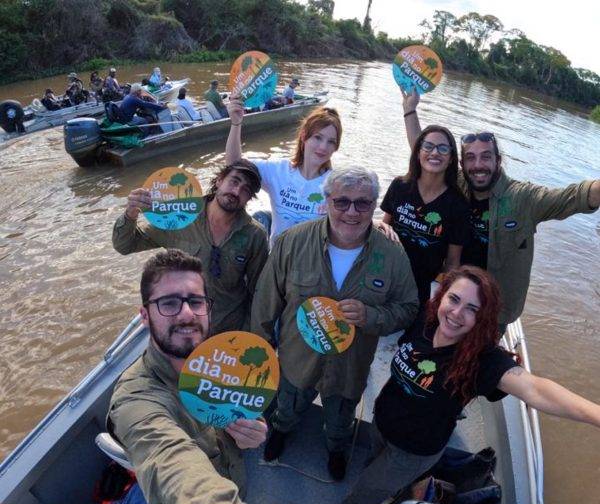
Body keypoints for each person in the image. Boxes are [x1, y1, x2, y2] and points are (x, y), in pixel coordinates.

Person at [108, 248, 360, 504]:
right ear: (144, 315)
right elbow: (174, 466)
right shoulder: (135, 399)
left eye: (196, 301)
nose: (186, 313)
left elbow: (235, 424)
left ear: (208, 309)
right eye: (169, 303)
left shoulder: (222, 362)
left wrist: (244, 437)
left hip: (233, 481)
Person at [319, 265, 600, 504]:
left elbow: (536, 389)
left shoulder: (482, 361)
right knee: (375, 464)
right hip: (382, 422)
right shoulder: (426, 321)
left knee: (367, 489)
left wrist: (596, 414)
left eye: (472, 309)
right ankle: (389, 487)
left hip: (413, 450)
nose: (456, 313)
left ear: (483, 318)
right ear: (442, 296)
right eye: (454, 299)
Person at [251, 166, 419, 480]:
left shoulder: (392, 254)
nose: (352, 212)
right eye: (342, 201)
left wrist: (371, 316)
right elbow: (266, 300)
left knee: (341, 417)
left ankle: (337, 449)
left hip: (349, 365)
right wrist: (261, 350)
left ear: (374, 204)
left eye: (363, 203)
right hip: (297, 357)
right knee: (287, 405)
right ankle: (281, 432)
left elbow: (408, 308)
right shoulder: (292, 242)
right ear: (326, 201)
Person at [402, 91, 600, 329]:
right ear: (462, 164)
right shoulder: (458, 184)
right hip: (453, 300)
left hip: (492, 315)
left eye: (486, 157)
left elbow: (577, 196)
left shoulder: (523, 198)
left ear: (498, 160)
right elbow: (424, 155)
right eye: (471, 158)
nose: (478, 165)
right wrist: (409, 109)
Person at [113, 160, 269, 335]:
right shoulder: (179, 216)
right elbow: (125, 245)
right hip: (182, 327)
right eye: (234, 181)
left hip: (229, 328)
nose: (236, 191)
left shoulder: (255, 235)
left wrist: (248, 331)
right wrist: (131, 213)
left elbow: (259, 290)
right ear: (219, 180)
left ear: (249, 198)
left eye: (246, 190)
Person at [226, 101, 398, 246]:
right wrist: (236, 124)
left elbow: (352, 213)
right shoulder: (278, 171)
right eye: (318, 137)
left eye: (331, 142)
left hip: (313, 264)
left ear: (336, 147)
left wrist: (375, 223)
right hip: (277, 259)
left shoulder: (336, 183)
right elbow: (235, 166)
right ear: (304, 136)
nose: (323, 147)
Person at [381, 125, 470, 307]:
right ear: (418, 152)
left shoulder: (458, 204)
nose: (435, 153)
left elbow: (452, 262)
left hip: (419, 288)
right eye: (428, 146)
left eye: (443, 148)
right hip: (384, 275)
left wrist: (441, 300)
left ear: (451, 158)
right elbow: (383, 231)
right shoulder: (399, 186)